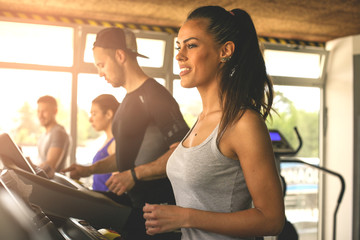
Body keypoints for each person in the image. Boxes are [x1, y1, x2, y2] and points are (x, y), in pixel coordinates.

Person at [143, 5, 285, 240]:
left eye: (191, 45)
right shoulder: (202, 120)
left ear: (225, 51)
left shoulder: (244, 123)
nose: (179, 55)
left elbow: (272, 220)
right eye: (179, 47)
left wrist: (185, 217)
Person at [62, 27, 189, 239]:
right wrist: (89, 170)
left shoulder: (155, 95)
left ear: (120, 56)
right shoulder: (128, 99)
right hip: (136, 207)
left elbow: (182, 154)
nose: (100, 72)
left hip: (159, 214)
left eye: (102, 65)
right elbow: (127, 156)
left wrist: (134, 175)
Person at [89, 94, 119, 192]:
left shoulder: (115, 143)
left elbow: (117, 183)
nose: (90, 119)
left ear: (108, 114)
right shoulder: (108, 141)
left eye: (94, 114)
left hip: (106, 203)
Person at [37, 95, 70, 178]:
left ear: (55, 111)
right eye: (38, 111)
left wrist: (26, 164)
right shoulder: (43, 135)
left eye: (44, 111)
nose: (40, 115)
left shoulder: (58, 133)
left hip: (55, 187)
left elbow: (49, 166)